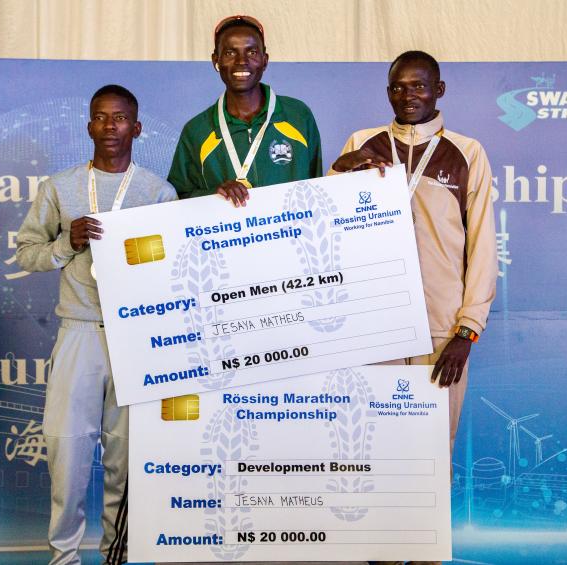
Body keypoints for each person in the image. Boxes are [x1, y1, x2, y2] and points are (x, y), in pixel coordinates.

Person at [331, 51, 497, 565]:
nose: (409, 96)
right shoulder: (361, 144)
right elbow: (325, 221)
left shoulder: (466, 152)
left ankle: (424, 554)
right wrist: (340, 172)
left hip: (440, 333)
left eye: (419, 87)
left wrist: (467, 332)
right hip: (373, 329)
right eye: (399, 87)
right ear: (387, 92)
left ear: (440, 90)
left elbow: (482, 249)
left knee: (429, 452)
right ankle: (380, 553)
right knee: (375, 447)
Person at [16, 84, 177, 565]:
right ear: (89, 126)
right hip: (79, 332)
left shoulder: (157, 192)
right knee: (65, 453)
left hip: (138, 338)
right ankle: (63, 557)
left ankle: (117, 555)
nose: (111, 126)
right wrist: (67, 243)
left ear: (137, 127)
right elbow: (27, 254)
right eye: (101, 118)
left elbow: (175, 268)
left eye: (121, 118)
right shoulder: (59, 187)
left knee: (123, 461)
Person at [167, 14, 322, 205]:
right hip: (230, 234)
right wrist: (213, 194)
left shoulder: (298, 115)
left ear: (265, 60)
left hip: (292, 233)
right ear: (216, 60)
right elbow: (178, 200)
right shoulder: (197, 130)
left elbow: (319, 187)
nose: (242, 61)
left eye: (252, 53)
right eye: (230, 53)